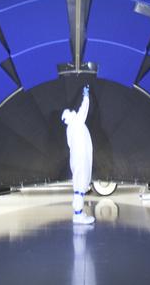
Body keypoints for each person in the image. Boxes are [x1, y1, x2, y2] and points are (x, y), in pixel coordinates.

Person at [60, 84, 94, 225]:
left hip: (77, 159)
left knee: (79, 184)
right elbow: (83, 109)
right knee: (80, 186)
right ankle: (78, 215)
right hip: (81, 159)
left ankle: (78, 213)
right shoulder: (76, 122)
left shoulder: (70, 129)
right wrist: (86, 96)